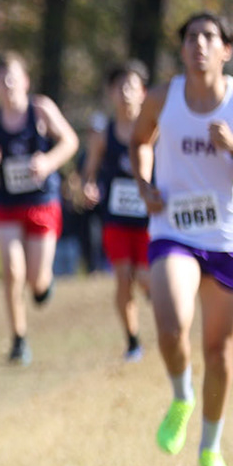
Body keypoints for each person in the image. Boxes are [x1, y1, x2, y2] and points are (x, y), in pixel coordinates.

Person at [131, 12, 233, 466]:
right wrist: (144, 182)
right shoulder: (162, 97)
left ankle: (211, 448)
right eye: (191, 37)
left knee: (219, 352)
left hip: (226, 238)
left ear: (225, 50)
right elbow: (140, 141)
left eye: (209, 37)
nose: (199, 44)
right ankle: (182, 395)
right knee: (172, 324)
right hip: (173, 231)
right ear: (182, 50)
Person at [0, 52, 81, 365]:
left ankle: (43, 286)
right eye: (1, 78)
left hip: (42, 202)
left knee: (36, 281)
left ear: (25, 81)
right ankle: (18, 339)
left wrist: (48, 162)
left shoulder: (41, 109)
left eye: (13, 76)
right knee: (12, 272)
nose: (8, 83)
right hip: (8, 205)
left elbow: (70, 141)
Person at [77, 61, 153, 361]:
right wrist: (88, 188)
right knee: (123, 277)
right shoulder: (103, 135)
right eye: (119, 87)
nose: (125, 93)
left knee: (146, 278)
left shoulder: (155, 130)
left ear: (143, 92)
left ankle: (164, 314)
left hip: (150, 219)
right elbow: (88, 174)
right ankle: (133, 341)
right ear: (110, 93)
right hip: (116, 219)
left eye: (131, 86)